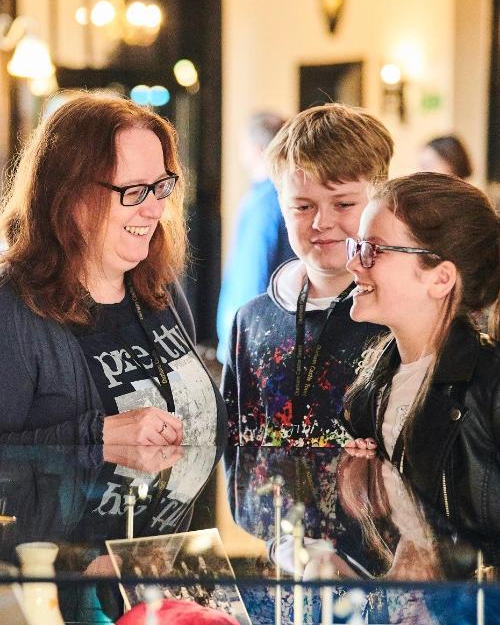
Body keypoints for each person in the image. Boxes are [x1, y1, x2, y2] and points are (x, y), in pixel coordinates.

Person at [0, 93, 227, 446]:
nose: (154, 209)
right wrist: (99, 436)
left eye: (161, 186)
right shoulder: (12, 308)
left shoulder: (159, 289)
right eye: (135, 190)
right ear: (68, 194)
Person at [222, 103, 394, 447]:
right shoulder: (251, 321)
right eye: (302, 206)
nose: (321, 222)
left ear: (378, 200)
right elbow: (235, 441)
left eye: (343, 204)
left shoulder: (397, 316)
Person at [344, 172, 500, 534]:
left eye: (373, 250)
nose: (353, 263)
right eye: (357, 247)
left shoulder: (489, 386)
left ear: (441, 278)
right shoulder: (371, 386)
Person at [216, 112, 294, 362]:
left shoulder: (267, 202)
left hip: (255, 337)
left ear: (256, 148)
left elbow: (253, 270)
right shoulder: (275, 196)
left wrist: (239, 334)